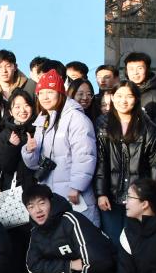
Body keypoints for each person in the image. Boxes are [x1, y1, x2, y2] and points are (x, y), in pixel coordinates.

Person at [22, 69, 99, 225]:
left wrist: (77, 186)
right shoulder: (42, 120)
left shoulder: (76, 118)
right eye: (41, 93)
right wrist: (29, 151)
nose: (45, 97)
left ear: (60, 93)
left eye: (50, 92)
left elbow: (85, 155)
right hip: (50, 194)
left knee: (80, 232)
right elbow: (34, 164)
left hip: (73, 194)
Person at [94, 81, 156, 244]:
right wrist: (101, 193)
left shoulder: (148, 128)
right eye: (119, 96)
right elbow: (100, 162)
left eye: (129, 96)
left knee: (136, 243)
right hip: (110, 197)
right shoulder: (102, 125)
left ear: (136, 99)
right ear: (112, 97)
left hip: (138, 199)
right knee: (113, 242)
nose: (123, 101)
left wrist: (150, 197)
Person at [0, 89, 36, 190]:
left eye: (26, 105)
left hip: (38, 185)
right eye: (17, 107)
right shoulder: (5, 134)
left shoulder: (40, 129)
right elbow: (6, 168)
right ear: (10, 111)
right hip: (16, 187)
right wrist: (11, 146)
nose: (22, 110)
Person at [124, 52, 156, 121]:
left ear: (147, 69)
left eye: (140, 68)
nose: (135, 73)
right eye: (131, 69)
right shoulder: (122, 91)